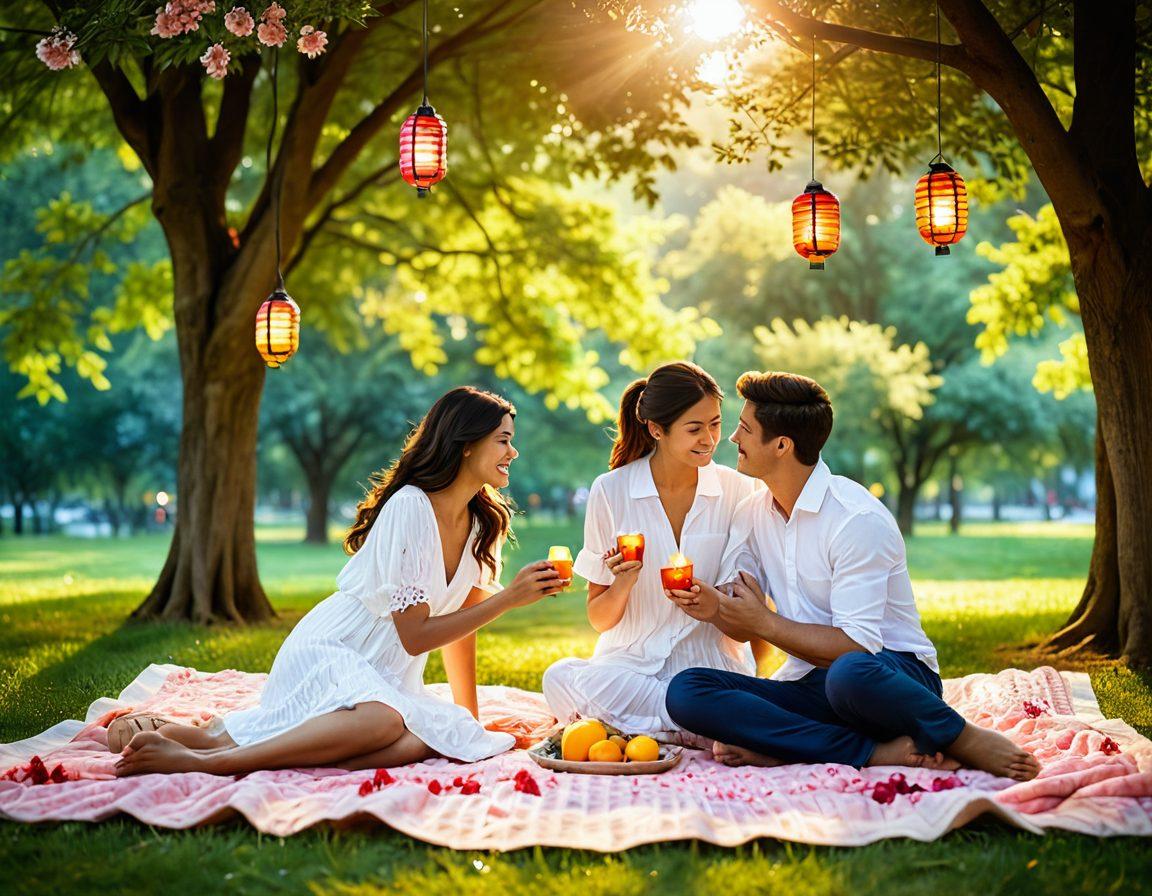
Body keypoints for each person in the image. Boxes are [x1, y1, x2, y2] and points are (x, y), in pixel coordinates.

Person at [112, 387, 565, 776]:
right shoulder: (409, 507)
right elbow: (414, 636)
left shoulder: (485, 524)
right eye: (503, 440)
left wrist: (470, 719)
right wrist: (509, 599)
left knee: (438, 738)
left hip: (387, 678)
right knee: (386, 725)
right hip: (336, 649)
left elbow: (460, 629)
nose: (513, 452)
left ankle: (215, 743)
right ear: (466, 444)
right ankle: (211, 760)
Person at [663, 371, 1041, 781]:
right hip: (811, 680)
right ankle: (867, 751)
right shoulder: (754, 513)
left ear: (782, 446)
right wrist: (712, 605)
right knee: (688, 691)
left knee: (848, 673)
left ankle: (959, 735)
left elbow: (855, 645)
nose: (733, 439)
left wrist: (764, 622)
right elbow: (741, 616)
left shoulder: (855, 519)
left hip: (890, 679)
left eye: (745, 429)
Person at [542, 362, 764, 737]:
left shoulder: (740, 491)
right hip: (629, 667)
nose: (709, 439)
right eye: (694, 429)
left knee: (698, 694)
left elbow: (746, 627)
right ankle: (695, 728)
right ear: (657, 429)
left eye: (715, 423)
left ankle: (655, 726)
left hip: (707, 671)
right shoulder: (610, 491)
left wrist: (713, 607)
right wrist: (623, 584)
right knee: (559, 677)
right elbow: (600, 619)